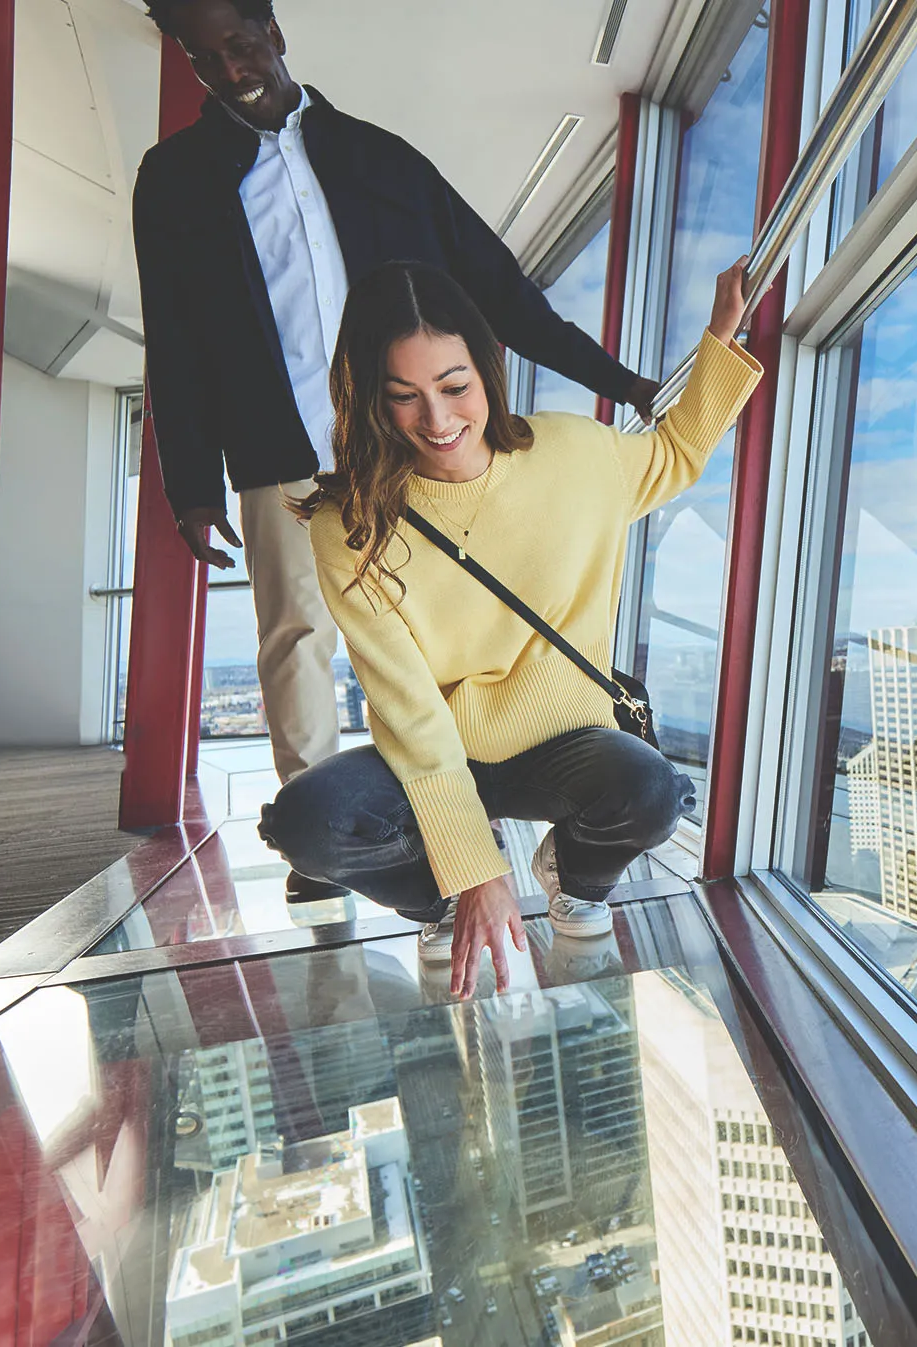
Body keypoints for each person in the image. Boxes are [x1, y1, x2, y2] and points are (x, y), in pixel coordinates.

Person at [133, 0, 661, 900]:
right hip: (279, 443)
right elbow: (173, 337)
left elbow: (500, 289)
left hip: (409, 443)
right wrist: (188, 478)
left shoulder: (379, 155)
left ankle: (474, 801)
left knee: (438, 631)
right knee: (295, 634)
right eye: (201, 56)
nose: (229, 68)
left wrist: (619, 381)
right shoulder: (174, 179)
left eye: (241, 42)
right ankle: (325, 836)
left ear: (275, 29)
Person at [257, 258, 757, 998]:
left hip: (567, 747)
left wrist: (721, 335)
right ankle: (435, 897)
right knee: (307, 824)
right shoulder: (352, 524)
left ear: (488, 372)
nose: (438, 420)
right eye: (405, 397)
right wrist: (474, 874)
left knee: (653, 791)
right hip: (434, 749)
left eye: (455, 387)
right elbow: (410, 712)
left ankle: (573, 875)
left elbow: (677, 453)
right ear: (370, 400)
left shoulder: (576, 456)